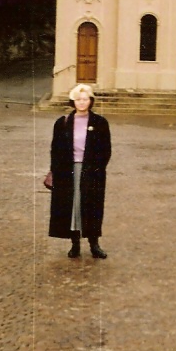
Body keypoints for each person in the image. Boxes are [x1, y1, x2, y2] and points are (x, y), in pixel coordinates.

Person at [45, 83, 111, 259]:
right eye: (78, 99)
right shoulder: (63, 123)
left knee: (92, 206)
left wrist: (97, 169)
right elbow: (55, 149)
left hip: (91, 172)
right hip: (69, 171)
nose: (82, 103)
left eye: (85, 99)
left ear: (91, 101)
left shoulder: (100, 122)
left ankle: (94, 244)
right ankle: (74, 244)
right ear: (73, 101)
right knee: (72, 207)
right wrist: (57, 171)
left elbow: (106, 150)